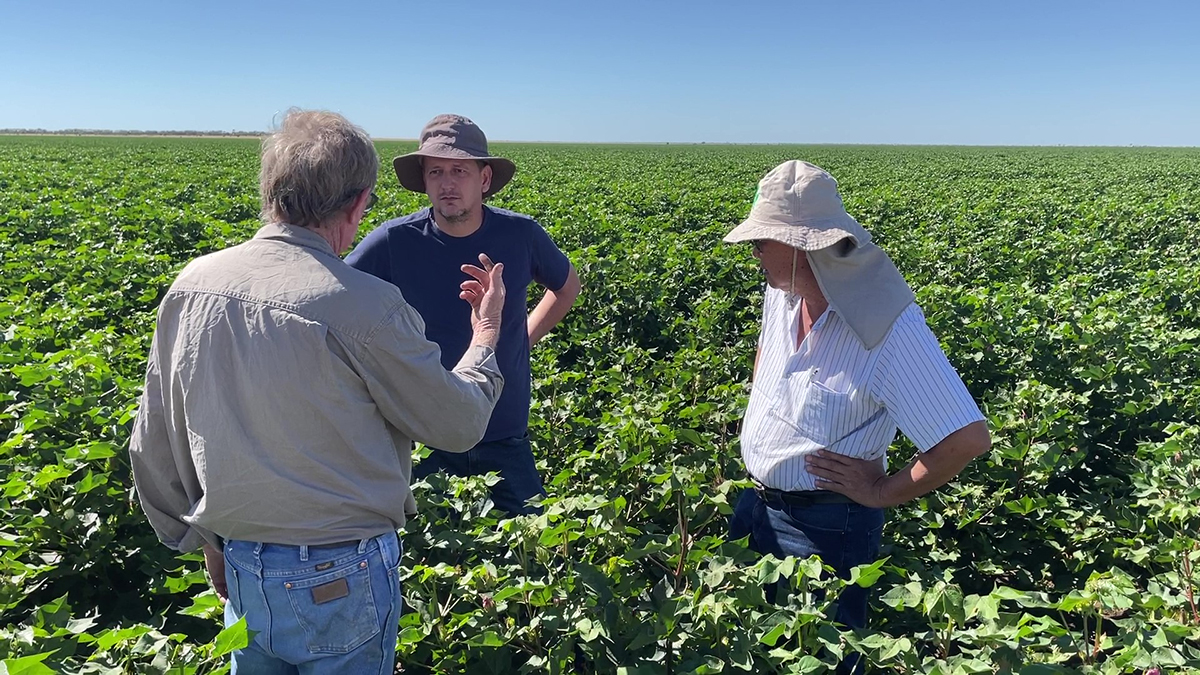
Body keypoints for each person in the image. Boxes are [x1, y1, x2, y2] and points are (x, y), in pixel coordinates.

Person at [128, 108, 507, 674]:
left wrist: (205, 539)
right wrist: (485, 336)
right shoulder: (364, 304)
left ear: (272, 194)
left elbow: (155, 440)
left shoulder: (192, 286)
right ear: (356, 205)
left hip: (239, 561)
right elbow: (456, 425)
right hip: (343, 574)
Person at [724, 160, 991, 673]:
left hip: (825, 527)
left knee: (822, 659)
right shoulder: (783, 294)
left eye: (762, 242)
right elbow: (768, 355)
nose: (754, 252)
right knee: (754, 648)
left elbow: (966, 437)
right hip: (756, 504)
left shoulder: (886, 329)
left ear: (803, 246)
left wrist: (880, 492)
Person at [347, 114, 581, 515]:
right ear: (423, 180)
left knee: (535, 555)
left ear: (485, 179)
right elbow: (335, 294)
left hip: (505, 431)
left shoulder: (520, 235)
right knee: (424, 561)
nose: (447, 183)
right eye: (436, 171)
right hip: (424, 436)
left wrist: (516, 339)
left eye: (460, 170)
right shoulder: (394, 240)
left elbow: (566, 287)